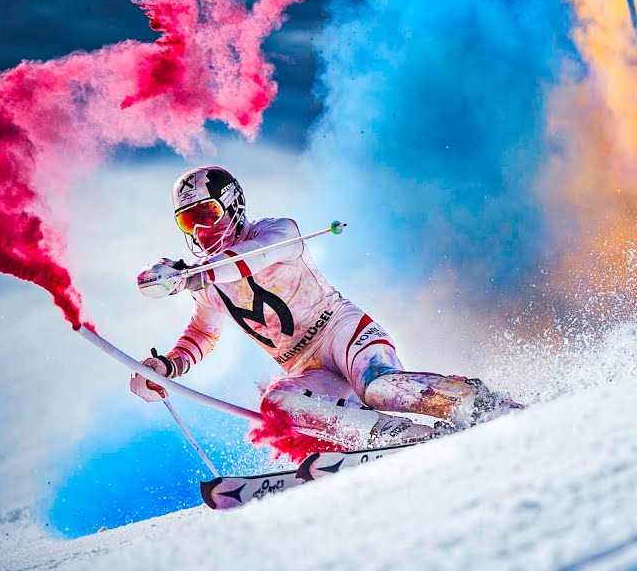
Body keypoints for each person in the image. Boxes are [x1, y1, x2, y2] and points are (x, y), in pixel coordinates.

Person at [130, 165, 521, 456]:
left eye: (206, 215)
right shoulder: (209, 281)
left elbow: (248, 259)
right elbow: (201, 334)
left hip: (343, 333)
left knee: (378, 387)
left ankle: (476, 403)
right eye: (188, 220)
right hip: (304, 366)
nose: (199, 231)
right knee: (277, 403)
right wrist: (166, 368)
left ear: (232, 206)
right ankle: (397, 438)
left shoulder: (277, 233)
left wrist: (190, 276)